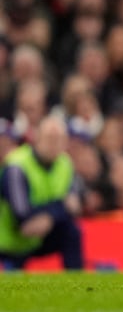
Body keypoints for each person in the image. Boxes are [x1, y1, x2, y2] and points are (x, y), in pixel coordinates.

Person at [0, 114, 84, 270]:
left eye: (59, 139)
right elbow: (21, 215)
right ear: (36, 138)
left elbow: (74, 207)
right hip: (11, 239)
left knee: (72, 232)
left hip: (41, 233)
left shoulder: (65, 163)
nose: (54, 144)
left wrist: (49, 215)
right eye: (49, 138)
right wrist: (58, 208)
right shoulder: (17, 166)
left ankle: (77, 285)